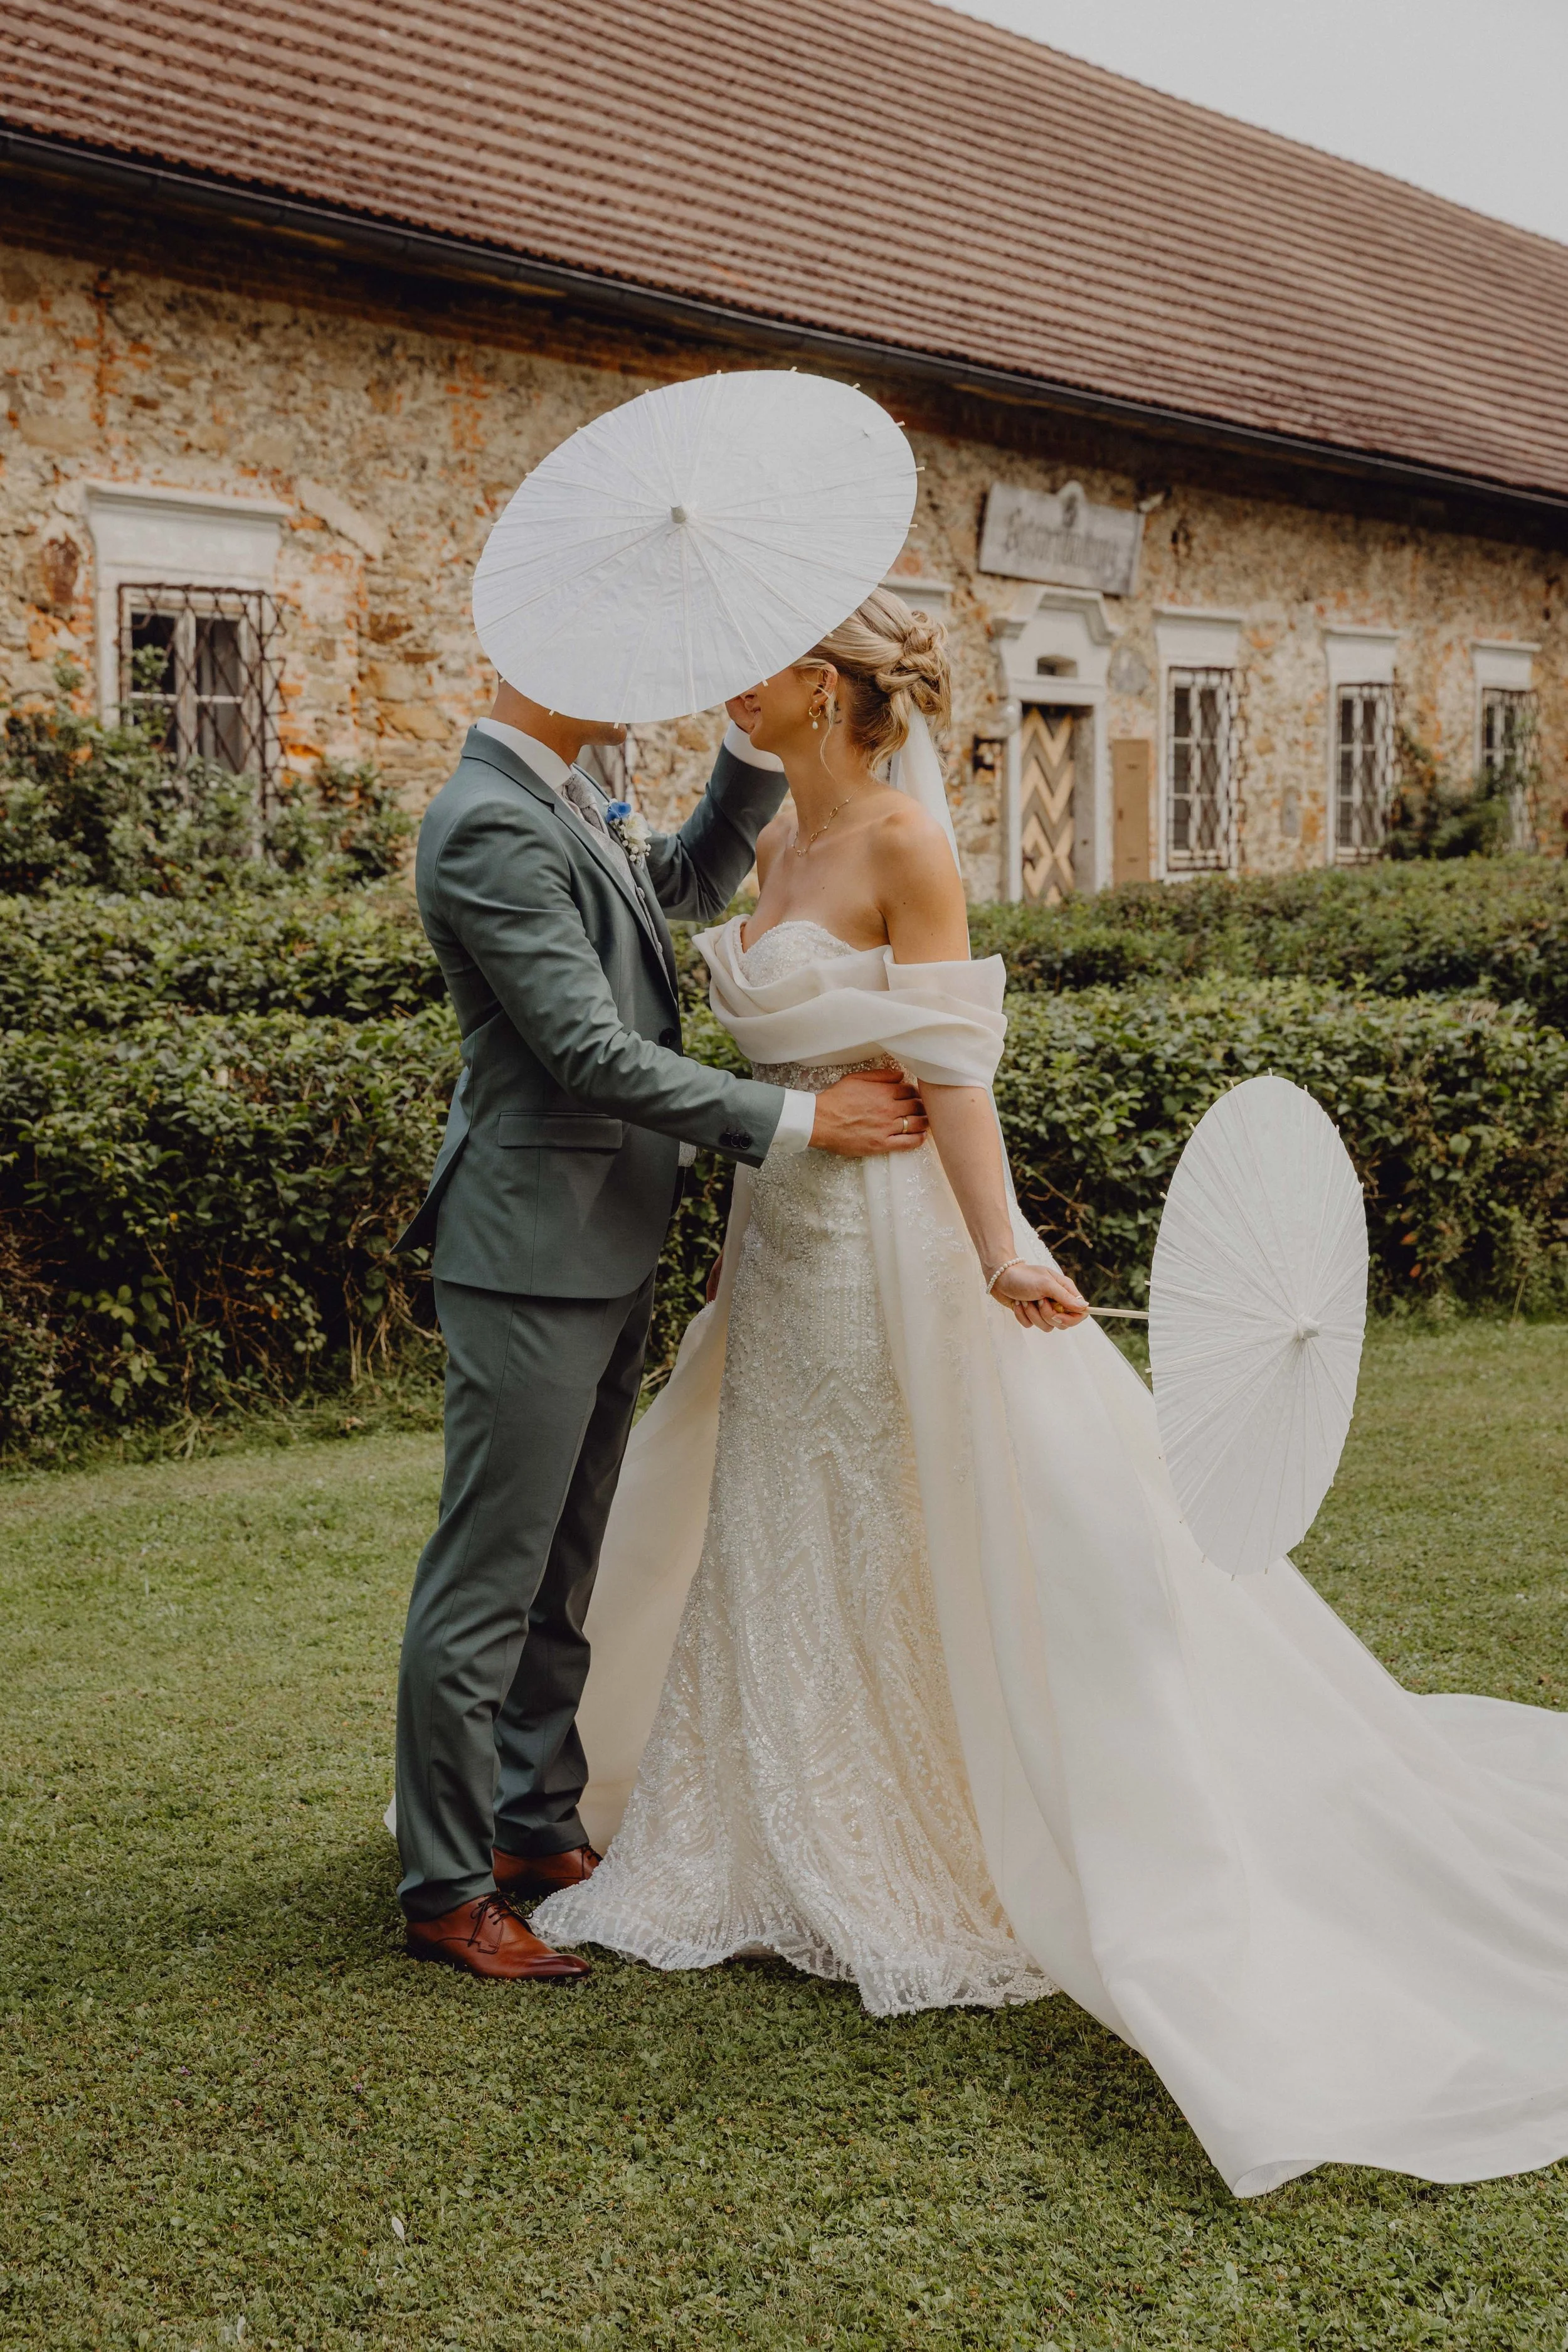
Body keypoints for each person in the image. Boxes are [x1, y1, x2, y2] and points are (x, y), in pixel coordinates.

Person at [535, 588, 1568, 2196]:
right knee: (783, 1511)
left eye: (757, 656)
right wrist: (742, 1233)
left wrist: (1001, 1242)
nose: (725, 673)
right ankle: (771, 1817)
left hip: (891, 1243)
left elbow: (951, 1064)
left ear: (817, 688)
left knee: (907, 1503)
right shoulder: (766, 850)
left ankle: (931, 1825)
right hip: (788, 1232)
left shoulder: (900, 844)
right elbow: (774, 1067)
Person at [391, 675, 929, 1981]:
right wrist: (802, 1124)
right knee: (490, 1574)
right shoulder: (487, 820)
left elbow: (680, 885)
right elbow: (583, 1046)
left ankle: (534, 1825)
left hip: (608, 1230)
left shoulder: (573, 797)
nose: (640, 672)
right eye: (612, 654)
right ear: (544, 661)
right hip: (528, 1245)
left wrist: (750, 754)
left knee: (564, 1567)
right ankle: (448, 1888)